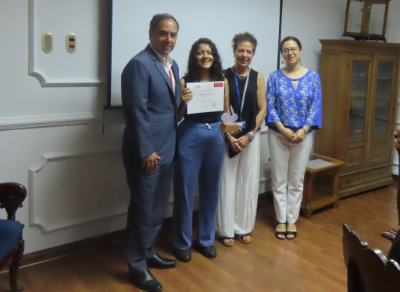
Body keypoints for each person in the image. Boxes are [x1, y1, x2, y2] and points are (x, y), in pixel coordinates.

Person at [121, 13, 180, 292]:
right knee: (142, 209)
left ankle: (147, 252)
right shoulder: (138, 64)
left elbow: (168, 110)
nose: (168, 39)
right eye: (163, 33)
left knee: (156, 209)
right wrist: (147, 151)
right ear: (150, 33)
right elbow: (136, 112)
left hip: (168, 149)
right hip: (147, 153)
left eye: (172, 35)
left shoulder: (172, 65)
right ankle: (136, 266)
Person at [173, 38, 229, 262]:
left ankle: (206, 239)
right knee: (184, 193)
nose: (205, 56)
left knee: (211, 191)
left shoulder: (222, 81)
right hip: (189, 135)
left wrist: (232, 135)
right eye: (200, 53)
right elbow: (175, 117)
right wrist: (184, 102)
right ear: (194, 57)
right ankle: (182, 243)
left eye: (209, 52)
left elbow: (225, 114)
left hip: (215, 136)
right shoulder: (183, 81)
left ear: (214, 56)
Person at [266, 36, 322, 240]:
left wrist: (304, 130)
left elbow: (316, 105)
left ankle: (292, 220)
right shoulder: (274, 77)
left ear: (300, 50)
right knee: (279, 179)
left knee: (296, 180)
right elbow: (270, 106)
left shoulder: (313, 77)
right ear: (282, 53)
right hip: (278, 135)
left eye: (293, 49)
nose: (290, 53)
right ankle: (281, 220)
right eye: (285, 50)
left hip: (302, 136)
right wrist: (282, 129)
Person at [216, 32, 266, 247]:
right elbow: (218, 109)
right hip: (227, 138)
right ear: (234, 51)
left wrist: (250, 135)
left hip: (250, 139)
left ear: (253, 54)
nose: (244, 55)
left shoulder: (258, 77)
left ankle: (243, 227)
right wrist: (228, 135)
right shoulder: (223, 75)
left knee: (247, 182)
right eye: (241, 51)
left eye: (249, 51)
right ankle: (226, 229)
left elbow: (263, 109)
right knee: (226, 183)